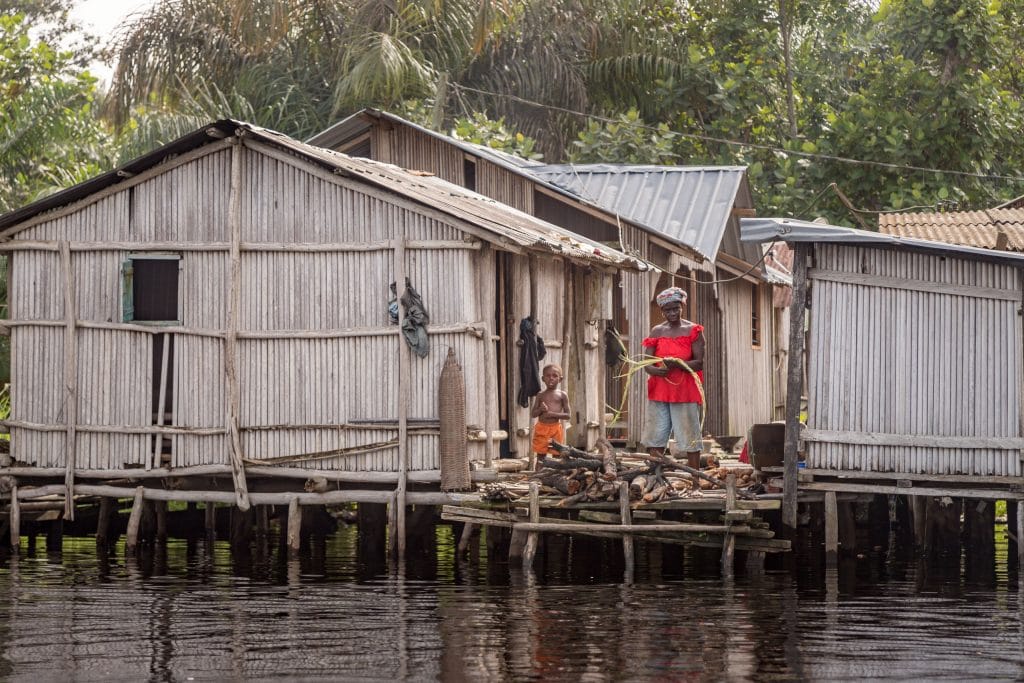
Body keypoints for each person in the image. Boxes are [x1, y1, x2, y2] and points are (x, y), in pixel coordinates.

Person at [642, 286, 705, 472]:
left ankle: (695, 481)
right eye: (668, 310)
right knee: (656, 436)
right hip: (659, 391)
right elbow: (647, 364)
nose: (672, 313)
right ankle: (655, 478)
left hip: (684, 391)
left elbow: (699, 363)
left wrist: (677, 364)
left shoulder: (693, 330)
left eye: (675, 308)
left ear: (682, 306)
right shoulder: (657, 331)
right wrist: (654, 370)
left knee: (690, 437)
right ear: (662, 311)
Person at [531, 364, 570, 461]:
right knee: (541, 455)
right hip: (542, 428)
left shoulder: (562, 395)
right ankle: (538, 474)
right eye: (548, 376)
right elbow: (533, 414)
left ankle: (555, 474)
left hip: (555, 429)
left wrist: (552, 414)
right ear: (543, 378)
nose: (551, 378)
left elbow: (568, 415)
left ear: (560, 379)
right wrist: (540, 409)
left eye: (554, 376)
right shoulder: (540, 395)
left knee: (556, 454)